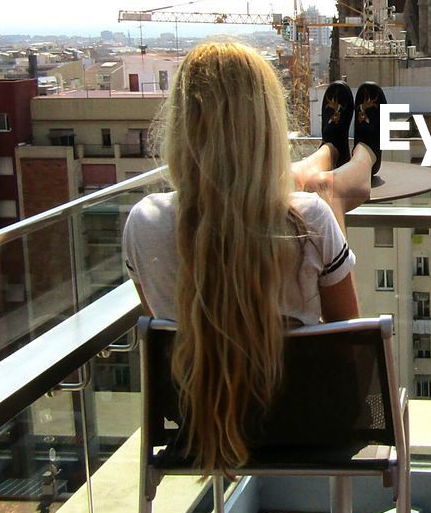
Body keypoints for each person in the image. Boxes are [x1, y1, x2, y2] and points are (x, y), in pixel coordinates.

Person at [122, 41, 384, 472]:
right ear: (265, 124)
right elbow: (346, 346)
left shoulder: (143, 223)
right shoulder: (309, 221)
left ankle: (329, 150)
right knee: (320, 193)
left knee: (306, 191)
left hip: (197, 424)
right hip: (311, 424)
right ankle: (360, 157)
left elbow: (169, 328)